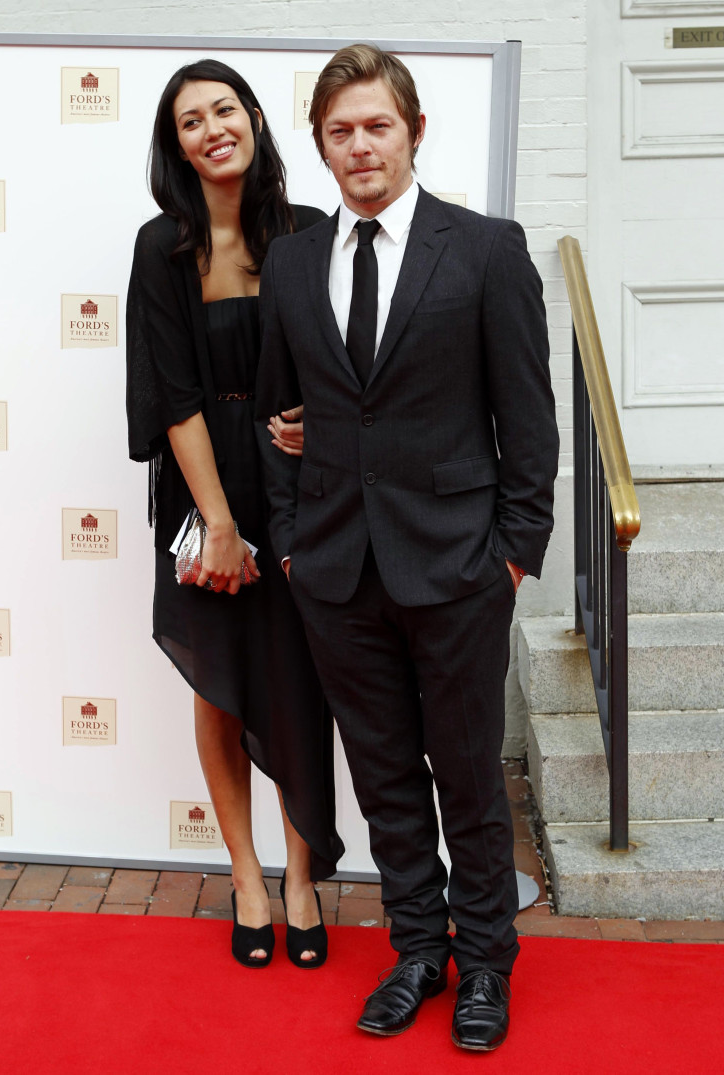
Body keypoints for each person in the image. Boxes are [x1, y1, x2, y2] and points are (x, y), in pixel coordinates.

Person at [256, 44, 559, 1048]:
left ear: (414, 131)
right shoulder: (295, 262)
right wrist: (295, 543)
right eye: (338, 131)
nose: (359, 146)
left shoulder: (482, 249)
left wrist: (512, 555)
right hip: (338, 572)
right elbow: (278, 417)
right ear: (321, 147)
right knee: (384, 776)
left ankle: (485, 964)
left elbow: (529, 418)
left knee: (468, 776)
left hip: (459, 567)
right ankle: (418, 949)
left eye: (376, 125)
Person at [125, 59, 343, 970]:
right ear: (174, 145)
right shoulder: (162, 243)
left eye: (225, 110)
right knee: (218, 679)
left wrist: (313, 420)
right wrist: (216, 521)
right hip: (204, 488)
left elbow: (348, 363)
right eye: (189, 121)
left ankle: (300, 878)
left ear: (254, 119)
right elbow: (172, 394)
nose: (212, 129)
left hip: (298, 492)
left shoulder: (311, 231)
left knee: (301, 677)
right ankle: (247, 876)